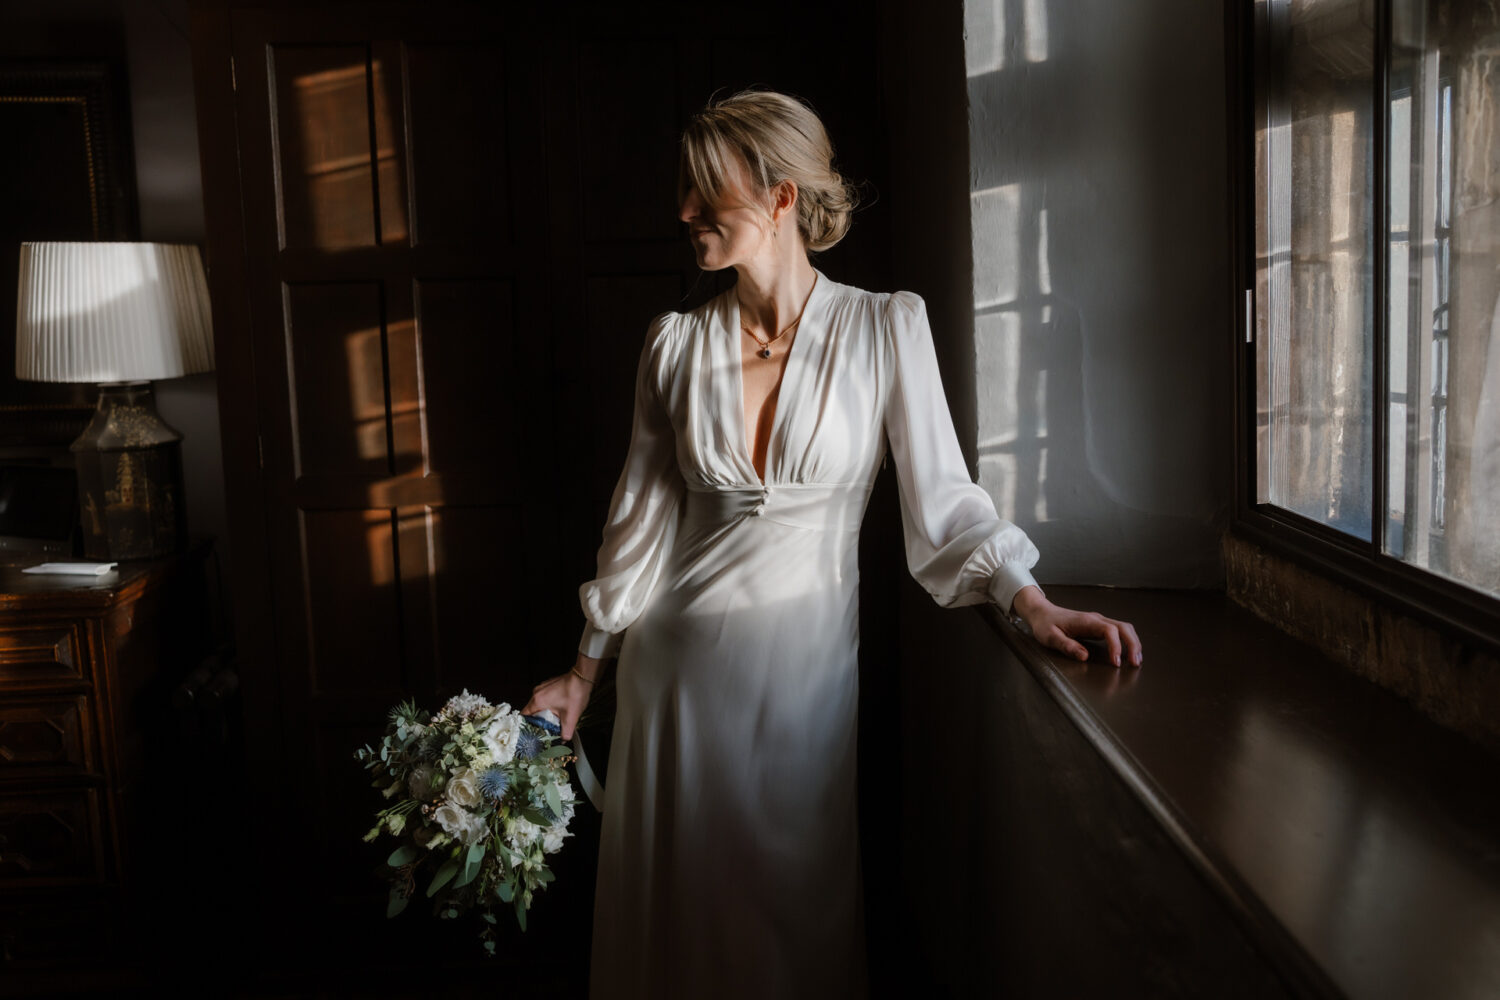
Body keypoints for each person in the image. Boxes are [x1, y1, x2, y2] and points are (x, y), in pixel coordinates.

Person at [524, 89, 1142, 999]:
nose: (684, 212)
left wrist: (1029, 596)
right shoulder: (674, 346)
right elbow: (638, 525)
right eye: (684, 191)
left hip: (802, 680)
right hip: (675, 678)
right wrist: (584, 671)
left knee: (789, 913)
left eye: (706, 192)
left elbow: (946, 503)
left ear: (781, 197)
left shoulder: (886, 327)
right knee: (677, 922)